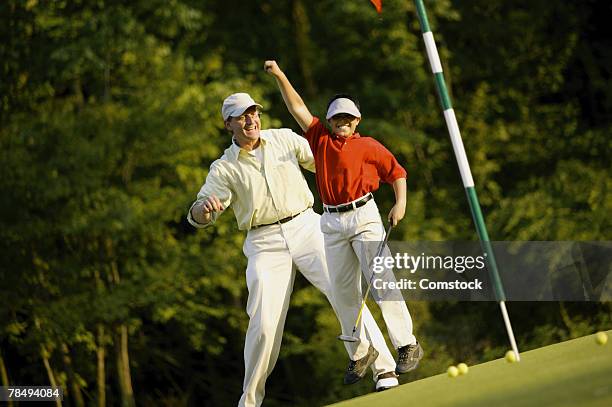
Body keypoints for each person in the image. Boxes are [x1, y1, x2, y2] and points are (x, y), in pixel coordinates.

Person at [187, 93, 403, 407]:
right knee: (264, 322)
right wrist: (203, 211)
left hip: (306, 225)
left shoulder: (284, 139)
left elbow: (328, 161)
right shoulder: (224, 168)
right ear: (228, 124)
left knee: (345, 294)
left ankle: (384, 371)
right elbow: (198, 213)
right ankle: (249, 401)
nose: (251, 120)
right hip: (264, 242)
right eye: (241, 116)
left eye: (253, 113)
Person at [264, 60, 424, 380]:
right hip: (332, 222)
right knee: (342, 291)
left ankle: (406, 344)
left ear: (356, 121)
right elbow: (297, 107)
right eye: (337, 117)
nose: (342, 122)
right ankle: (360, 351)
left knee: (380, 281)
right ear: (329, 120)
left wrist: (400, 204)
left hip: (364, 216)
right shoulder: (319, 139)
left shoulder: (368, 145)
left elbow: (397, 173)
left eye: (348, 118)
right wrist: (281, 75)